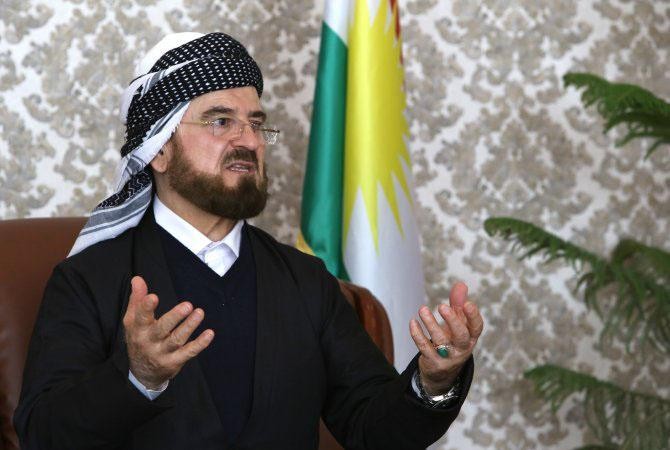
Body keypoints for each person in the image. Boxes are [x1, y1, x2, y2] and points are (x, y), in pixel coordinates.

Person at [13, 32, 484, 450]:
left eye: (256, 123)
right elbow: (43, 434)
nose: (250, 141)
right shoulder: (89, 278)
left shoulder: (305, 281)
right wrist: (138, 378)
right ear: (158, 149)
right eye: (220, 121)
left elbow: (374, 429)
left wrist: (434, 380)